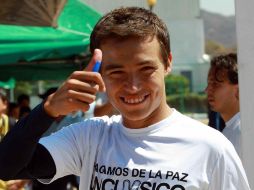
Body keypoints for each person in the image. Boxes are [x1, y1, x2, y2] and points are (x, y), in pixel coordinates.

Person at [0, 7, 250, 190]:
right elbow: (7, 167)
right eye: (117, 72)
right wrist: (48, 110)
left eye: (145, 69)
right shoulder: (89, 137)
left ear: (168, 63)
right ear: (100, 75)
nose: (132, 86)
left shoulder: (211, 147)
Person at [205, 53, 242, 157]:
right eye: (209, 84)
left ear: (238, 89)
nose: (208, 90)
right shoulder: (231, 129)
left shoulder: (242, 131)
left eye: (215, 84)